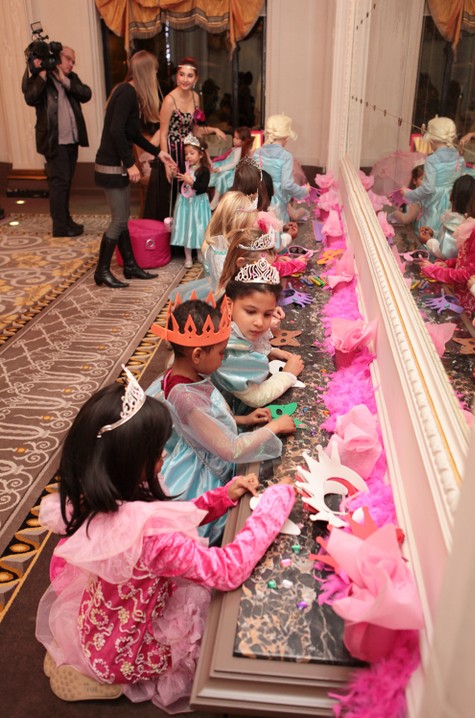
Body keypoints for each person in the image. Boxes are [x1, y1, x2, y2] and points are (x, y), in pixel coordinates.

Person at [35, 368, 295, 711]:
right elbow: (227, 569)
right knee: (207, 638)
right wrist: (274, 505)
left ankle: (83, 659)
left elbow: (171, 514)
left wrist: (222, 497)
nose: (165, 456)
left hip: (101, 622)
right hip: (127, 648)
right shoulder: (153, 538)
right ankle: (107, 676)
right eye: (158, 450)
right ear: (130, 461)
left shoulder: (102, 496)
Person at [150, 297, 296, 544]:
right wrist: (275, 427)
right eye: (221, 353)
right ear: (197, 355)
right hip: (204, 472)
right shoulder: (186, 398)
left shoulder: (184, 374)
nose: (223, 358)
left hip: (208, 446)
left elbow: (202, 423)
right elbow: (231, 449)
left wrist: (242, 418)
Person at [94, 51, 175, 289]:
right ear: (147, 72)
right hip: (111, 165)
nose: (156, 75)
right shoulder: (126, 92)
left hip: (114, 163)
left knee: (123, 218)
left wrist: (157, 152)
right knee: (119, 220)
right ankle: (102, 271)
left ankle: (129, 266)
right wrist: (130, 163)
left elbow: (132, 134)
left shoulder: (129, 93)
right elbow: (116, 131)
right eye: (155, 71)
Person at [212, 257, 304, 415]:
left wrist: (271, 351)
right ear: (229, 305)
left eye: (267, 314)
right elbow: (256, 398)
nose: (260, 323)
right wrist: (288, 374)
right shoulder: (227, 350)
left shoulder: (237, 328)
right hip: (220, 412)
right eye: (250, 311)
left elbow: (247, 345)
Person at [144, 57, 226, 221]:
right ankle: (169, 233)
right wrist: (167, 164)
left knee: (190, 192)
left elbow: (195, 129)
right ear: (176, 76)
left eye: (190, 76)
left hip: (189, 152)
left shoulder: (195, 97)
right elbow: (163, 134)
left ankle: (187, 230)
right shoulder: (169, 100)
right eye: (181, 74)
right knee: (171, 196)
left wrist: (206, 154)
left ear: (196, 79)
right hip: (172, 152)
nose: (185, 79)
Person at [22, 45, 91, 237]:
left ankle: (66, 221)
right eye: (68, 59)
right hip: (54, 141)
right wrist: (43, 74)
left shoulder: (71, 78)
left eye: (73, 61)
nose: (71, 64)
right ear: (56, 57)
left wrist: (64, 80)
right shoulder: (40, 78)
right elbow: (30, 98)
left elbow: (86, 94)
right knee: (59, 184)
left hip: (72, 140)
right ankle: (60, 227)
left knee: (66, 183)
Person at [419, 167, 475, 314]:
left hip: (463, 301)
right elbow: (467, 258)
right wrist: (448, 264)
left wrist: (435, 271)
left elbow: (470, 274)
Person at [402, 116, 466, 233]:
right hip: (451, 202)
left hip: (434, 203)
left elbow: (428, 188)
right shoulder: (459, 158)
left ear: (432, 139)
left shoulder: (432, 160)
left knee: (427, 229)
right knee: (443, 231)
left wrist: (410, 194)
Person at [254, 114, 309, 224]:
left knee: (262, 225)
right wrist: (303, 191)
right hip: (277, 200)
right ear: (286, 136)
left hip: (261, 197)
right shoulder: (285, 156)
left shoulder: (258, 152)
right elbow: (287, 185)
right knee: (278, 226)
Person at [171, 134, 211, 268]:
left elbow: (203, 188)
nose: (188, 156)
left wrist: (191, 182)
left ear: (201, 155)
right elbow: (180, 185)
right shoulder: (184, 168)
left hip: (198, 204)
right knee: (186, 228)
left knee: (199, 228)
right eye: (186, 154)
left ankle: (200, 253)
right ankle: (188, 257)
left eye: (191, 153)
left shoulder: (204, 171)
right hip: (186, 204)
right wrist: (175, 174)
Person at [421, 174, 475, 259]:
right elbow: (444, 239)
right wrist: (433, 233)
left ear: (451, 196)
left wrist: (429, 240)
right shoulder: (461, 219)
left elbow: (445, 253)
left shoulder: (455, 224)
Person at [209, 126, 254, 207]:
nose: (234, 139)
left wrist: (221, 168)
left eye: (237, 138)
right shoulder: (236, 149)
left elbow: (234, 164)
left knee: (221, 178)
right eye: (234, 137)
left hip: (231, 170)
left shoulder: (239, 150)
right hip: (227, 166)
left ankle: (216, 199)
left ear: (243, 141)